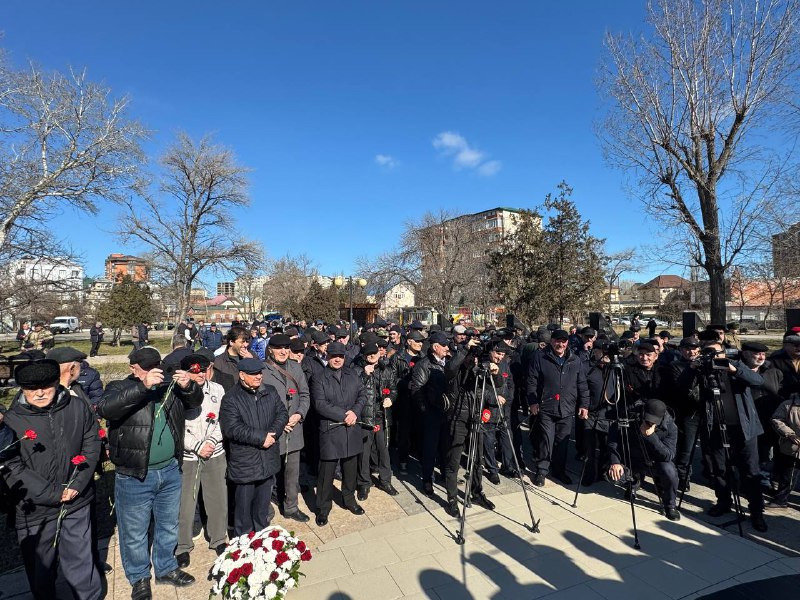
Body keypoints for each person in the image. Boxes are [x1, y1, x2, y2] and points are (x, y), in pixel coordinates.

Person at [97, 348, 203, 600]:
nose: (154, 371)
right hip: (135, 473)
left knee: (168, 524)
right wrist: (142, 387)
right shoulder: (119, 386)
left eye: (156, 365)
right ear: (133, 368)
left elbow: (194, 402)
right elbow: (105, 409)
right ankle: (139, 577)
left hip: (169, 469)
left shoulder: (169, 386)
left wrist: (188, 386)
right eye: (146, 367)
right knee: (134, 531)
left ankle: (165, 567)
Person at [0, 359, 102, 600]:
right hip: (34, 508)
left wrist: (75, 486)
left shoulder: (76, 407)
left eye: (46, 386)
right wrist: (51, 493)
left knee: (82, 564)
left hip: (75, 501)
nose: (39, 393)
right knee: (41, 570)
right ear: (22, 389)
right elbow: (10, 464)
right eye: (31, 388)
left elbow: (91, 443)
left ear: (57, 383)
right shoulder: (12, 420)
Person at [680, 331, 768, 532]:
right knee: (718, 469)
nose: (714, 357)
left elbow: (757, 381)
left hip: (744, 429)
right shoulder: (702, 370)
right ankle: (724, 501)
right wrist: (692, 369)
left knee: (750, 471)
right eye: (709, 353)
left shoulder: (736, 366)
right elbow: (682, 387)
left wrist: (732, 368)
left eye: (717, 353)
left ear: (724, 353)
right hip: (715, 428)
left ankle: (756, 512)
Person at [220, 357, 288, 536]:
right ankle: (244, 545)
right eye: (253, 374)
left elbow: (282, 414)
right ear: (242, 375)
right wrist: (261, 438)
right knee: (243, 512)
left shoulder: (270, 391)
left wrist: (271, 434)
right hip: (246, 465)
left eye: (260, 372)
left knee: (262, 509)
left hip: (267, 460)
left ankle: (261, 539)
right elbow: (232, 428)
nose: (259, 376)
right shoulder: (231, 398)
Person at [175, 354, 228, 568]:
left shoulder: (217, 390)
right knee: (186, 503)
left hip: (214, 451)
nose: (199, 375)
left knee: (217, 499)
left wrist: (211, 442)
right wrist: (196, 446)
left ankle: (218, 539)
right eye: (193, 372)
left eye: (202, 371)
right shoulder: (177, 393)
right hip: (189, 455)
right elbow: (177, 426)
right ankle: (183, 545)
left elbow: (221, 419)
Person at [311, 341, 368, 526]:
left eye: (341, 356)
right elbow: (320, 404)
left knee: (350, 469)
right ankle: (323, 508)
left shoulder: (352, 373)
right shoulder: (319, 377)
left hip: (351, 427)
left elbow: (362, 394)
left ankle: (349, 499)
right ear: (327, 356)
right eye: (334, 356)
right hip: (331, 429)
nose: (337, 359)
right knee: (326, 472)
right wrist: (344, 415)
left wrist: (355, 412)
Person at [410, 332, 472, 499]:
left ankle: (446, 475)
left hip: (450, 413)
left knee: (447, 446)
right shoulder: (424, 365)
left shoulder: (449, 362)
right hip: (432, 414)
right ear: (435, 347)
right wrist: (426, 410)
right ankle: (427, 479)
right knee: (430, 448)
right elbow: (416, 390)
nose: (447, 348)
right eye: (444, 345)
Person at [527, 329, 589, 486]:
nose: (559, 344)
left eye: (563, 341)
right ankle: (542, 471)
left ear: (567, 342)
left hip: (567, 408)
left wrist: (584, 404)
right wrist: (533, 402)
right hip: (546, 406)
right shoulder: (540, 357)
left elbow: (582, 384)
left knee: (562, 442)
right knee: (546, 440)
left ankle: (559, 470)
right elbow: (531, 381)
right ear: (551, 341)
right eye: (556, 341)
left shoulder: (575, 360)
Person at [261, 334, 311, 523]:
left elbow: (305, 395)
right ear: (270, 350)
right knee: (268, 474)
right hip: (274, 431)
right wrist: (278, 422)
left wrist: (299, 414)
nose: (283, 351)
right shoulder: (263, 370)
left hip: (294, 428)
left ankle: (291, 507)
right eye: (278, 348)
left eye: (286, 348)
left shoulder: (295, 367)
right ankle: (265, 511)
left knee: (292, 474)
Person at [607, 398, 681, 521]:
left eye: (653, 422)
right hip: (633, 457)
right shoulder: (629, 415)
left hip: (655, 461)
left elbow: (668, 455)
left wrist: (651, 437)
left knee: (670, 471)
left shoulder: (670, 427)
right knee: (614, 476)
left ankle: (670, 505)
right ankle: (634, 483)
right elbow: (613, 438)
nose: (650, 423)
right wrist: (615, 462)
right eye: (647, 420)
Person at [352, 342, 398, 501]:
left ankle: (385, 480)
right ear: (364, 356)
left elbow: (393, 388)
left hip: (381, 415)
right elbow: (352, 391)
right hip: (365, 417)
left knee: (383, 450)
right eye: (369, 355)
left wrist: (390, 398)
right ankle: (364, 483)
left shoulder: (387, 370)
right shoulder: (357, 369)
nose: (373, 358)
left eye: (375, 354)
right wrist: (364, 375)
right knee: (364, 452)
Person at [768, 394, 800, 509]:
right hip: (793, 448)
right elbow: (776, 419)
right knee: (788, 476)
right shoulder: (789, 404)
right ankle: (781, 500)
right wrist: (790, 434)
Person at [213, 325, 253, 392]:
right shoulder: (219, 361)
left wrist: (252, 361)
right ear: (231, 342)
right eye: (242, 342)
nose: (246, 345)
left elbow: (261, 376)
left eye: (247, 341)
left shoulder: (252, 355)